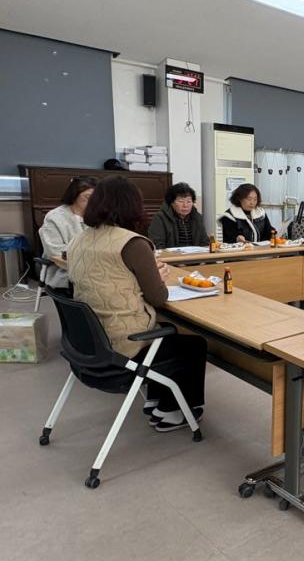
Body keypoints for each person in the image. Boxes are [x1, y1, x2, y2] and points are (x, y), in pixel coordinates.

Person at [67, 176, 207, 432]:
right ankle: (171, 410)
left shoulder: (78, 240)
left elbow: (106, 280)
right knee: (192, 344)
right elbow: (158, 298)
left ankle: (155, 401)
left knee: (164, 337)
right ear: (132, 205)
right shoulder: (132, 243)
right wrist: (157, 277)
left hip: (88, 345)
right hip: (123, 347)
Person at [38, 176, 96, 288]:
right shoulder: (55, 217)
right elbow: (54, 251)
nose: (94, 202)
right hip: (63, 270)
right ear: (74, 195)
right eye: (88, 197)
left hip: (95, 266)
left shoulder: (96, 216)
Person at [147, 182, 209, 249]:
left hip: (196, 255)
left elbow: (204, 243)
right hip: (170, 255)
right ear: (171, 202)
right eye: (181, 201)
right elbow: (157, 245)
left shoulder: (197, 218)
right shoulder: (160, 218)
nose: (185, 205)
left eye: (189, 201)